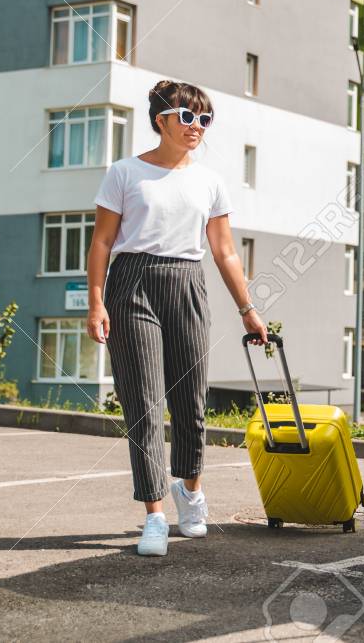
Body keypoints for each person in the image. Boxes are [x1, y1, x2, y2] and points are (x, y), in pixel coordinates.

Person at [85, 80, 268, 556]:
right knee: (143, 405)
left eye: (204, 120)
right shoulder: (124, 173)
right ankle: (155, 516)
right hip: (132, 284)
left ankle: (191, 492)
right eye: (187, 117)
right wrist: (96, 301)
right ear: (161, 120)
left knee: (190, 401)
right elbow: (102, 242)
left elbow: (224, 252)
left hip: (187, 281)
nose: (196, 128)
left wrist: (247, 309)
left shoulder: (209, 181)